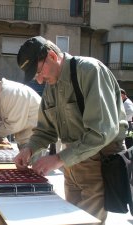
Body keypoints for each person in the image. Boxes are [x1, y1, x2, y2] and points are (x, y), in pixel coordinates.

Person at [14, 36, 128, 224]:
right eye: (36, 77)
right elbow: (45, 129)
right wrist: (30, 149)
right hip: (70, 161)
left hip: (98, 159)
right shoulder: (52, 84)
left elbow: (101, 132)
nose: (40, 80)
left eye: (39, 72)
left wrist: (58, 159)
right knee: (71, 217)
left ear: (52, 55)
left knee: (88, 220)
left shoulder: (89, 70)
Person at [0, 71, 41, 150]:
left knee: (32, 162)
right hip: (29, 137)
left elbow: (12, 125)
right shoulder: (4, 93)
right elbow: (10, 121)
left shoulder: (9, 93)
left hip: (33, 139)